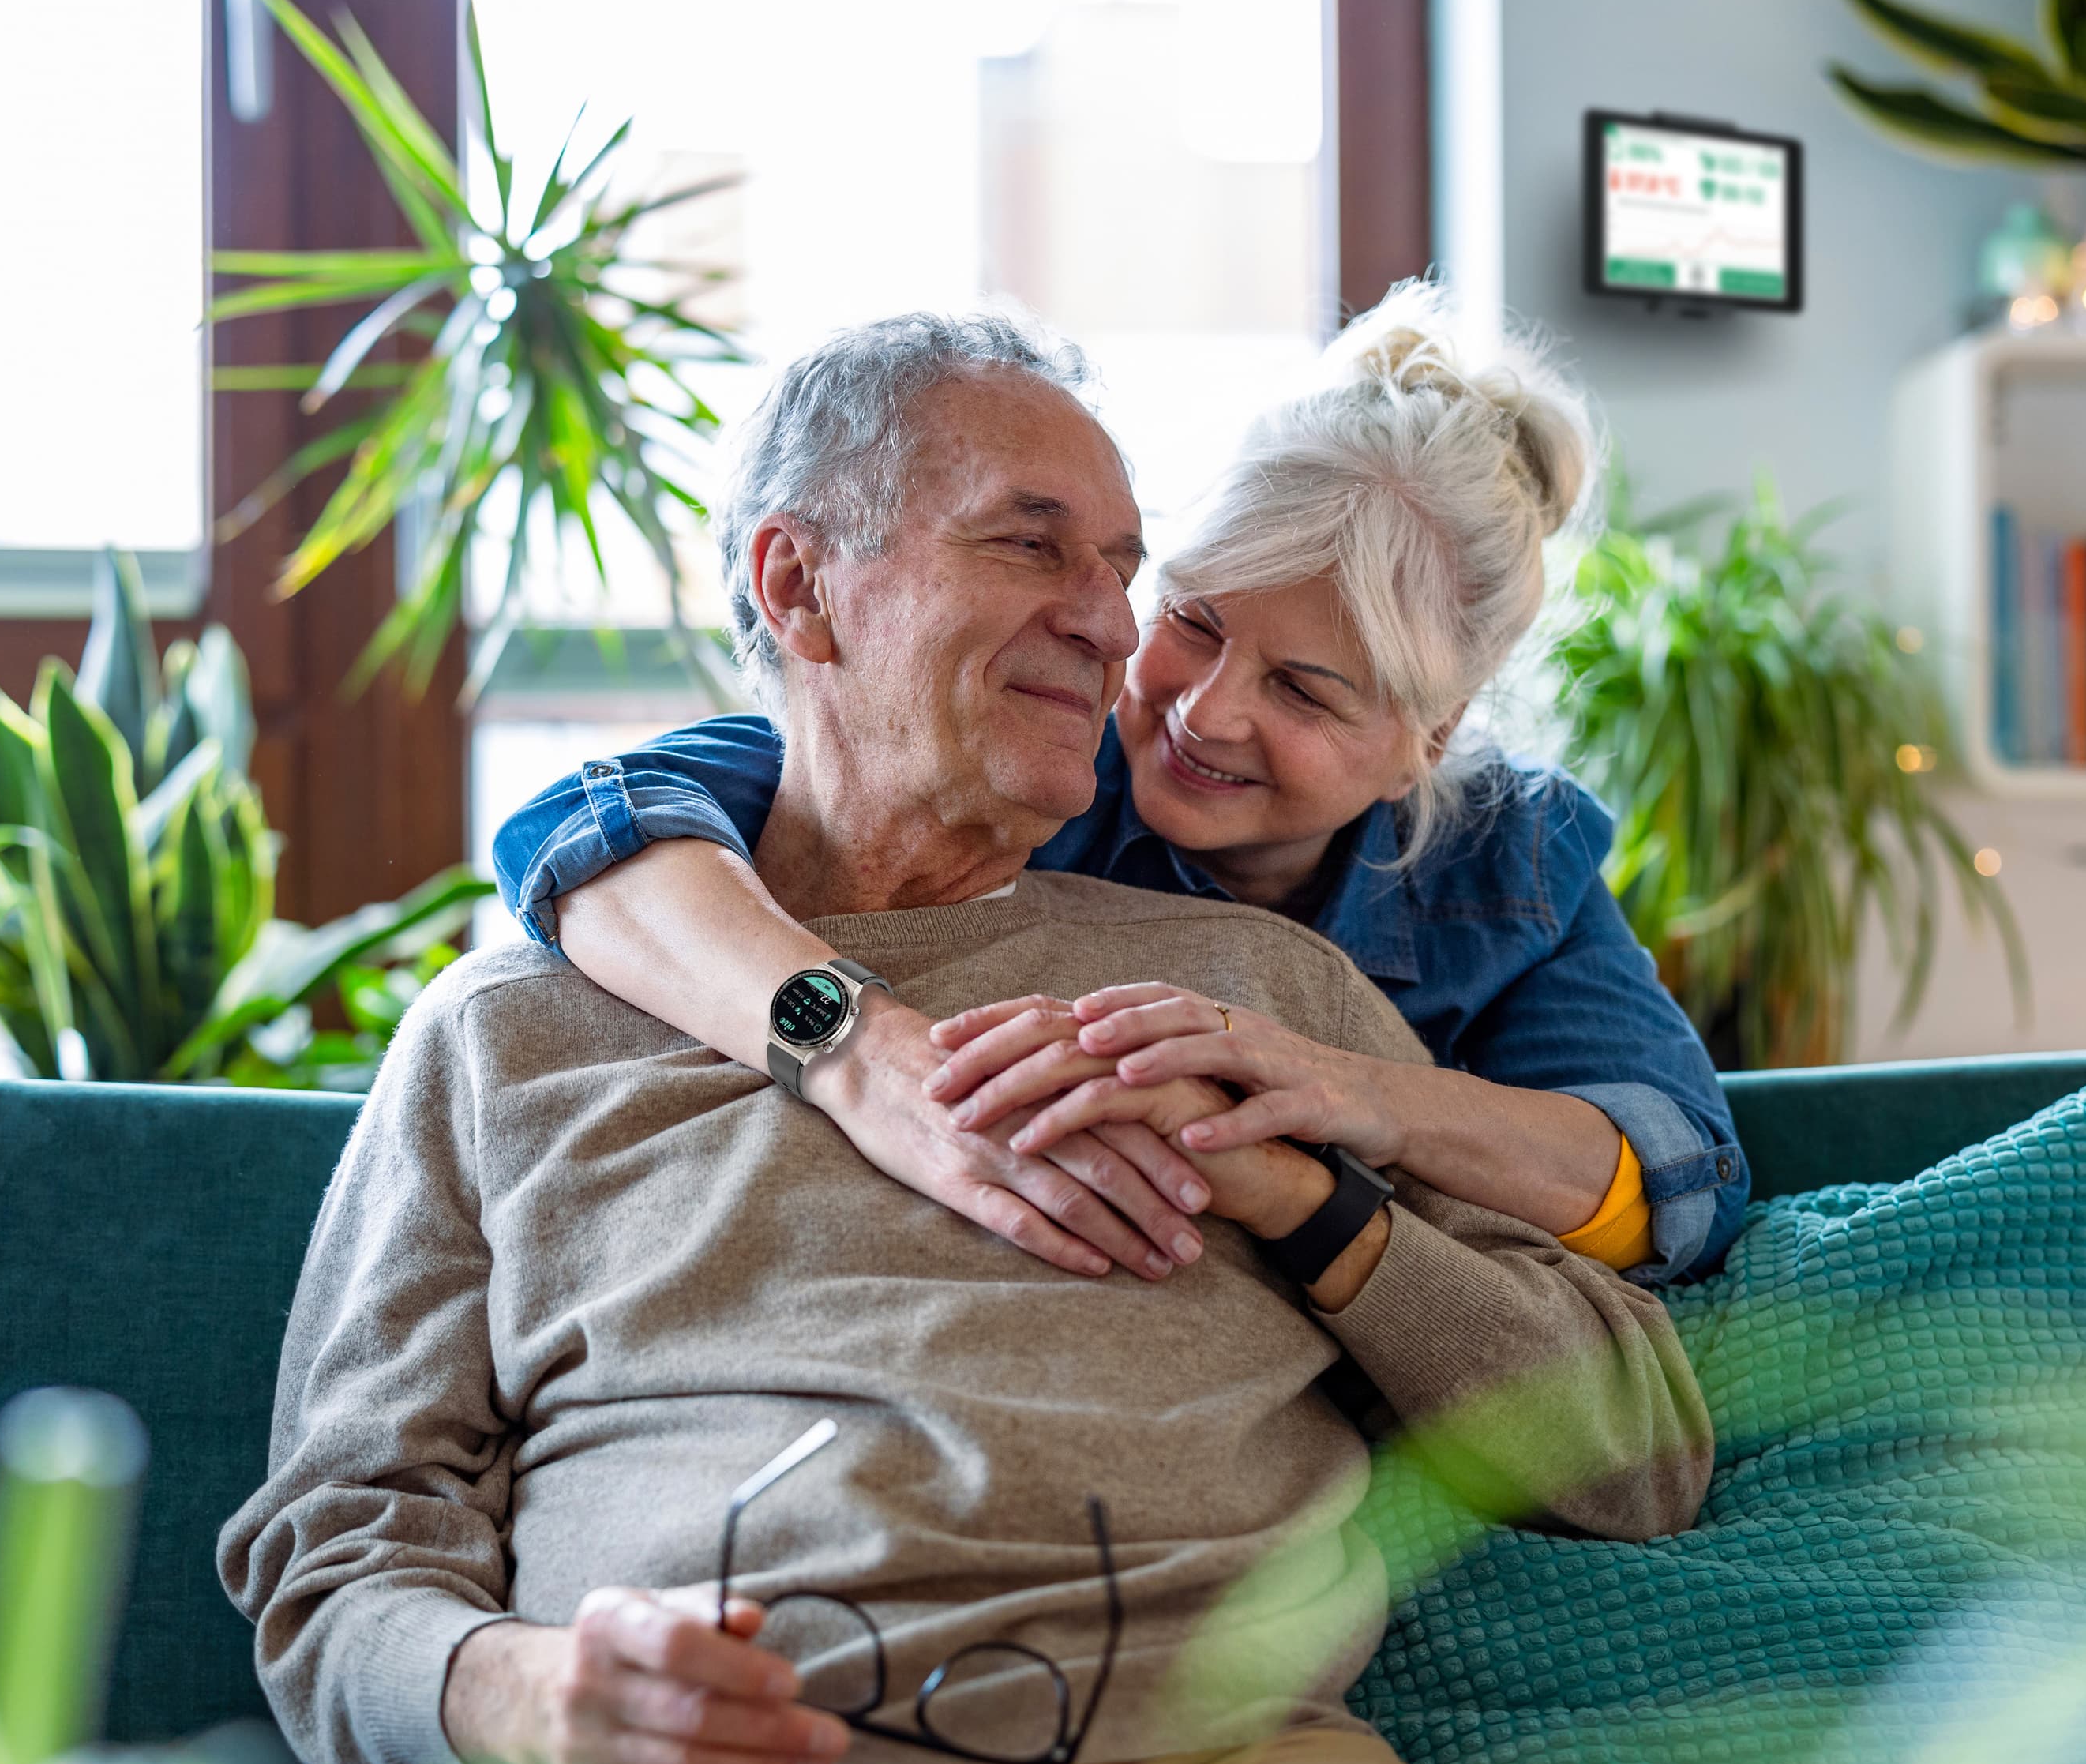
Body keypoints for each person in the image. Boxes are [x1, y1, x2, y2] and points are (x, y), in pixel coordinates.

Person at [220, 311, 1710, 1764]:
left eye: (1124, 563)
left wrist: (1311, 1198)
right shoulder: (518, 1026)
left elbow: (1641, 1435)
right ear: (800, 590)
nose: (1115, 626)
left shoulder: (1263, 996)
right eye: (1033, 546)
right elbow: (339, 1555)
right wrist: (536, 1690)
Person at [490, 283, 1747, 1304]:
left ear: (1431, 735)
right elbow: (590, 833)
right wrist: (859, 1052)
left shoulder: (1509, 862)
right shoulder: (1032, 761)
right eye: (1192, 623)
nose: (1205, 711)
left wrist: (1353, 1089)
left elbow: (1678, 1179)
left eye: (1306, 691)